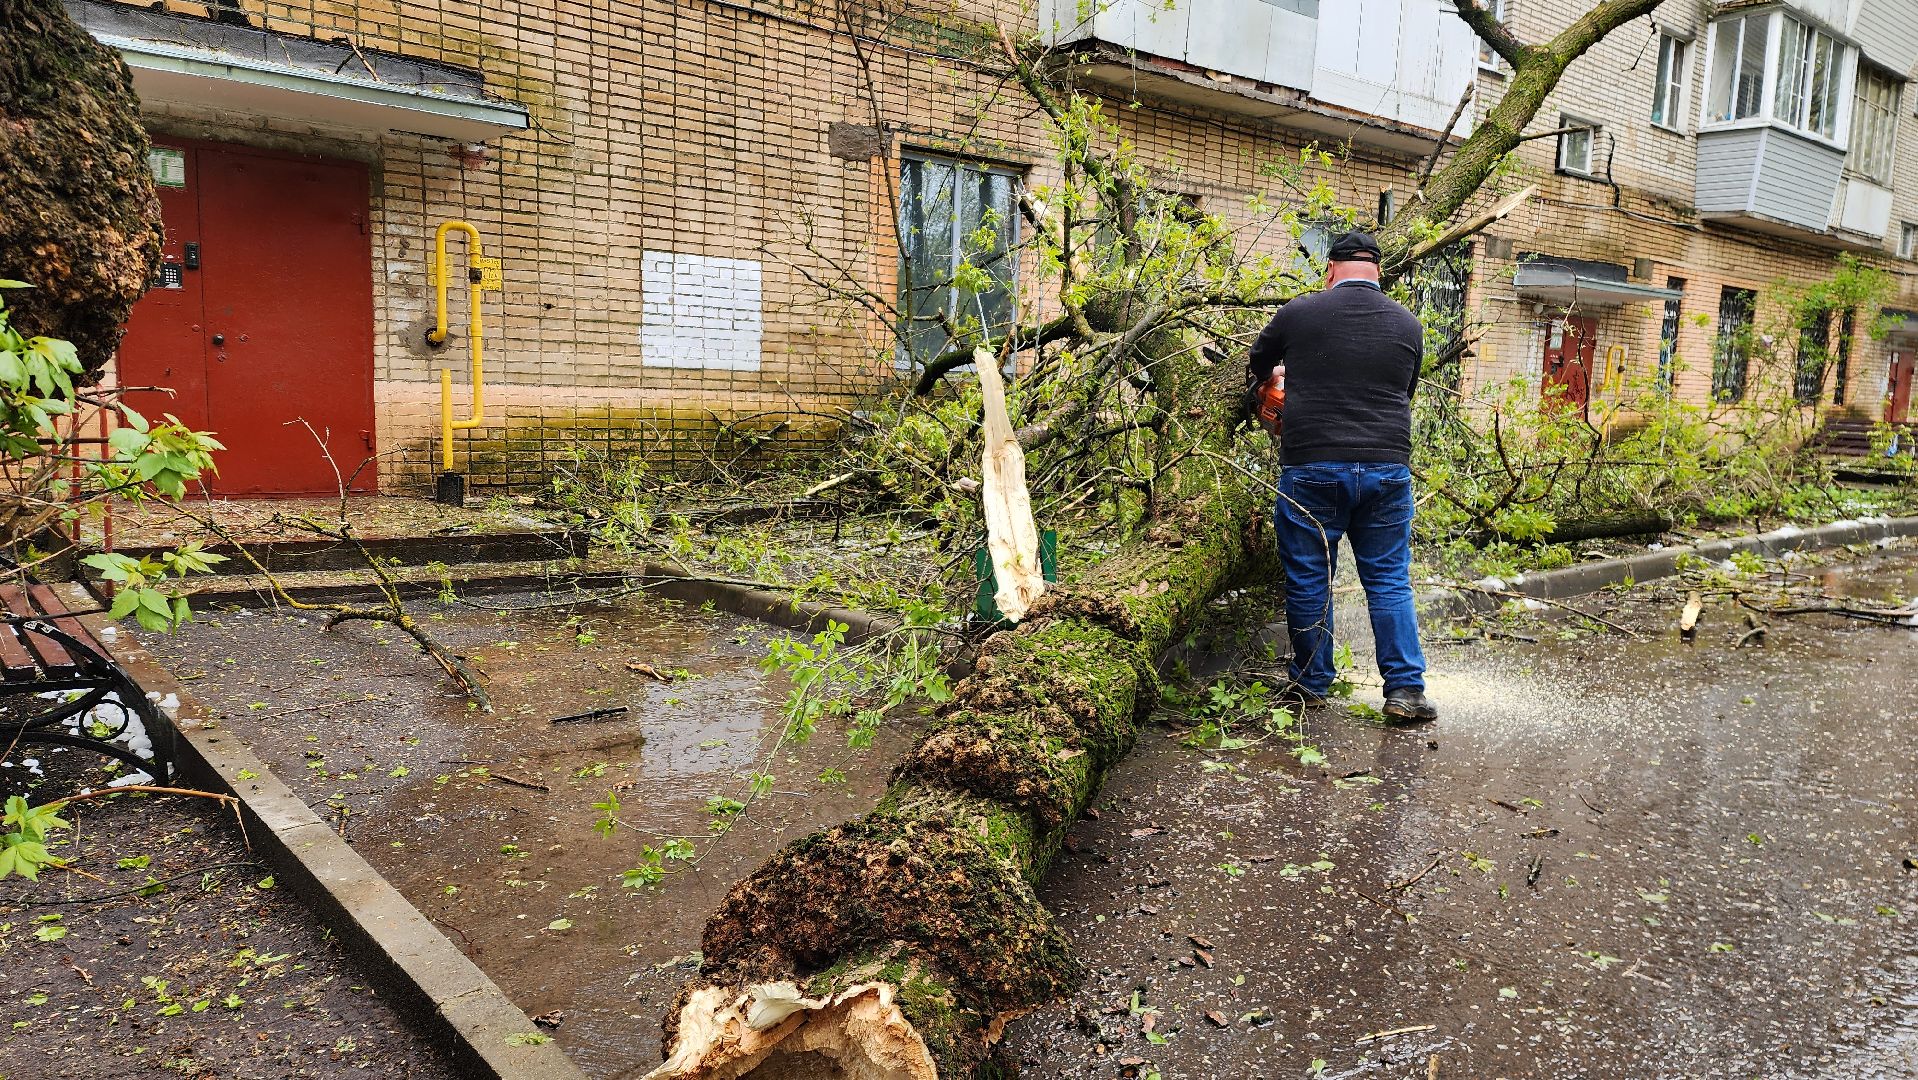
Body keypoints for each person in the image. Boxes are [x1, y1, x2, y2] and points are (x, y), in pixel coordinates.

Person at [1247, 230, 1437, 723]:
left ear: (1330, 270)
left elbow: (1258, 366)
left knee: (1311, 579)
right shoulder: (1409, 323)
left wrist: (1278, 385)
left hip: (1313, 466)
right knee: (1391, 580)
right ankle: (1406, 692)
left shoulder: (1299, 312)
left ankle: (1311, 683)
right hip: (1388, 467)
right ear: (1378, 271)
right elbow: (1406, 391)